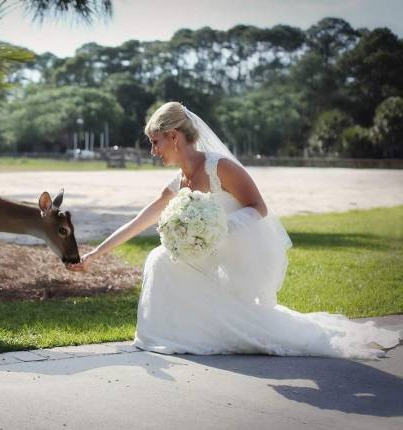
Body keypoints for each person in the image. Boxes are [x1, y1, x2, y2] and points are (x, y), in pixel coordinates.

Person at [66, 101, 402, 359]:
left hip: (229, 255)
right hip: (204, 256)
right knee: (160, 258)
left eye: (156, 142)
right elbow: (143, 218)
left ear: (173, 136)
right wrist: (96, 253)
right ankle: (173, 337)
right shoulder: (179, 179)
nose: (153, 151)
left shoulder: (220, 167)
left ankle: (200, 335)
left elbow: (259, 207)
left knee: (160, 259)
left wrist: (218, 228)